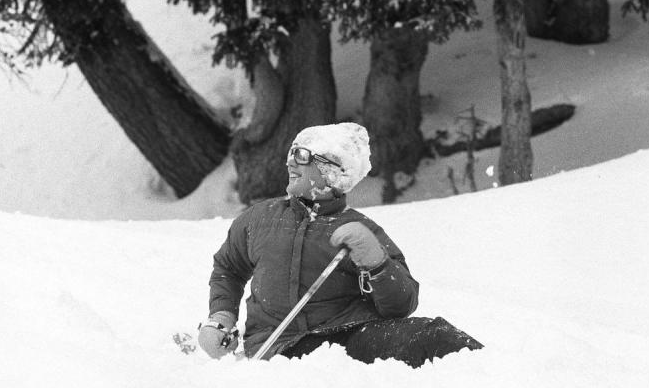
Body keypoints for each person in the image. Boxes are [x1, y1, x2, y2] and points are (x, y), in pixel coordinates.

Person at [198, 122, 482, 368]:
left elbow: (403, 305)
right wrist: (220, 316)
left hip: (349, 338)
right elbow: (229, 268)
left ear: (331, 171)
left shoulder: (361, 230)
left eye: (301, 155)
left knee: (434, 336)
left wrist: (378, 264)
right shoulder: (258, 219)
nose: (290, 162)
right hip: (278, 348)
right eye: (291, 152)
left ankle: (493, 372)